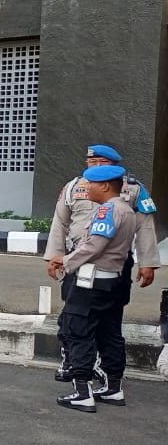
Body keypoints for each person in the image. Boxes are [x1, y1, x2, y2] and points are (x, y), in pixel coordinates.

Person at [45, 144, 159, 386]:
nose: (96, 167)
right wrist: (55, 256)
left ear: (115, 166)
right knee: (73, 315)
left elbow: (145, 226)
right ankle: (72, 362)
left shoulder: (134, 189)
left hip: (114, 263)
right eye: (92, 162)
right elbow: (59, 223)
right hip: (76, 261)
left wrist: (147, 263)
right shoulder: (73, 187)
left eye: (102, 163)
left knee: (108, 318)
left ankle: (100, 368)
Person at [53, 164, 139, 411]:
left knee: (77, 332)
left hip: (91, 283)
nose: (86, 188)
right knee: (109, 333)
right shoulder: (127, 210)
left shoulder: (108, 211)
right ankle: (113, 388)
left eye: (90, 184)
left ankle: (82, 392)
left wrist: (65, 261)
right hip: (113, 281)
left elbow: (93, 246)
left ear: (104, 186)